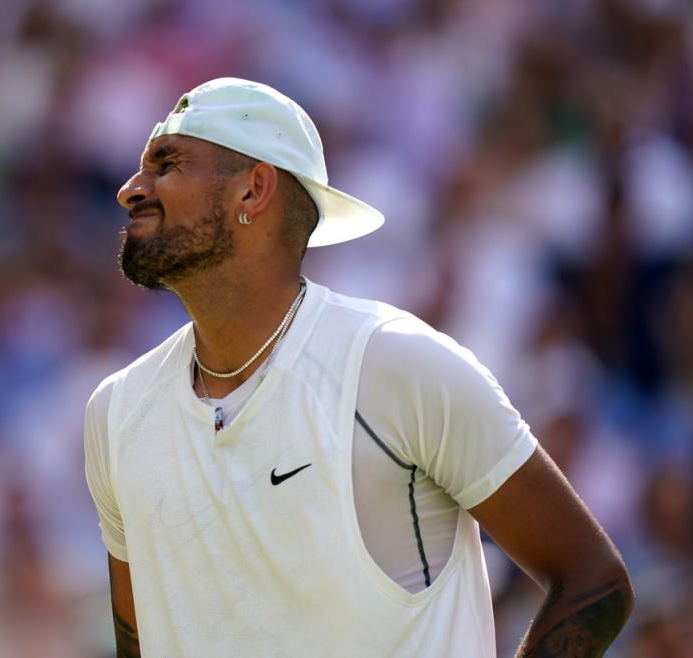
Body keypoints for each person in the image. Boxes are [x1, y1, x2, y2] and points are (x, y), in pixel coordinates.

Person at [83, 78, 633, 657]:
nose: (129, 189)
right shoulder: (115, 414)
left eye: (166, 163)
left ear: (253, 191)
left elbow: (593, 582)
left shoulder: (398, 365)